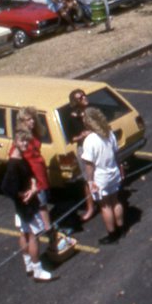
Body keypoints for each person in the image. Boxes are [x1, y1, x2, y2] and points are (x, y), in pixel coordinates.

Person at [13, 108, 75, 258]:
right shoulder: (21, 139)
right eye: (28, 119)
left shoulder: (32, 134)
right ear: (21, 121)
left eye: (33, 118)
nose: (32, 121)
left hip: (39, 179)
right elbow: (15, 161)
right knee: (38, 218)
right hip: (34, 183)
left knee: (30, 225)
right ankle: (49, 246)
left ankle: (40, 252)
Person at [1, 128, 54, 281]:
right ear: (15, 142)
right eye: (22, 141)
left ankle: (28, 264)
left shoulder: (20, 159)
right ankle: (37, 269)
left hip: (25, 204)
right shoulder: (13, 165)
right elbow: (7, 187)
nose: (25, 144)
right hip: (27, 206)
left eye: (26, 141)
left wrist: (32, 186)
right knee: (34, 235)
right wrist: (24, 194)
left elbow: (30, 175)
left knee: (24, 232)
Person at [79, 107, 126, 244]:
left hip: (100, 177)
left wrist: (90, 181)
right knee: (116, 201)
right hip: (113, 172)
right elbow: (116, 154)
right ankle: (121, 228)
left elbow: (89, 165)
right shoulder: (109, 133)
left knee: (105, 206)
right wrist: (120, 167)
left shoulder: (89, 140)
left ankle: (112, 234)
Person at [67, 88, 95, 222]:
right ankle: (90, 207)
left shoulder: (92, 112)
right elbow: (71, 138)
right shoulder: (72, 118)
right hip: (83, 148)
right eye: (80, 98)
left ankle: (104, 201)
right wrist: (81, 135)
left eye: (84, 95)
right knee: (87, 178)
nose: (84, 98)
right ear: (75, 102)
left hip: (96, 146)